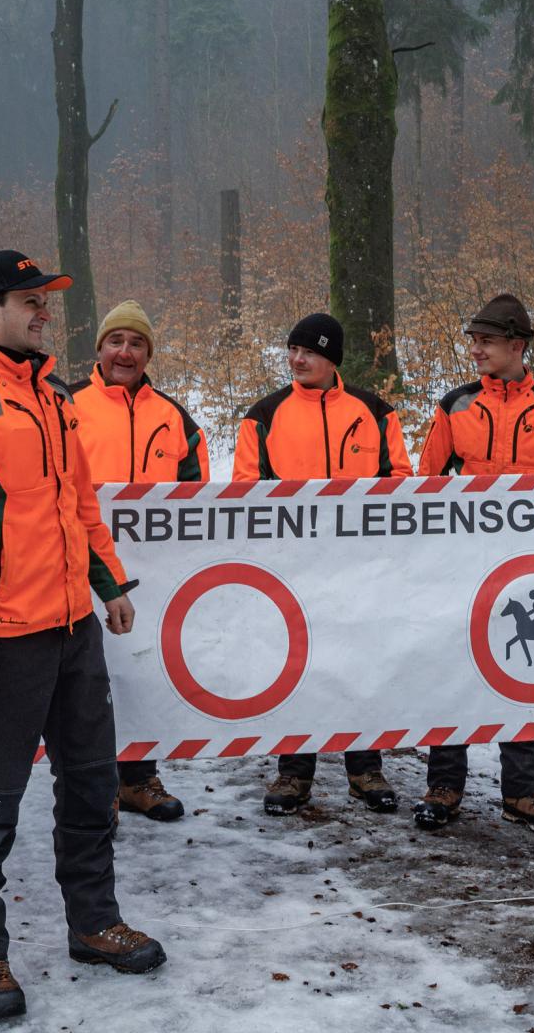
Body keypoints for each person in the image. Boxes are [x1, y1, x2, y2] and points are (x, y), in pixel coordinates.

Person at [0, 250, 166, 1020]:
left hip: (72, 630)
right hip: (4, 641)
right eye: (28, 299)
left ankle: (94, 924)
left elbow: (78, 503)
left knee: (92, 785)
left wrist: (110, 583)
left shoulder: (54, 397)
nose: (43, 311)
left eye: (46, 300)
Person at [412, 293, 534, 836]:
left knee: (524, 671)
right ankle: (444, 785)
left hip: (530, 564)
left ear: (518, 345)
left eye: (486, 341)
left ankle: (523, 793)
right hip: (462, 561)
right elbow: (425, 486)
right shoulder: (454, 404)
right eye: (474, 341)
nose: (476, 350)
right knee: (453, 664)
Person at [233, 312, 412, 816]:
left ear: (331, 357)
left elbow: (399, 480)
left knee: (360, 665)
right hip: (293, 568)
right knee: (298, 665)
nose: (297, 359)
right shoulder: (263, 415)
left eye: (308, 351)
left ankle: (365, 769)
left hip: (360, 568)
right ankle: (293, 773)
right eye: (292, 350)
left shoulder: (375, 412)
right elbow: (246, 488)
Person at [67, 300, 209, 823]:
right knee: (87, 684)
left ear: (149, 353)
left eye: (137, 344)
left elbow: (197, 497)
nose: (125, 352)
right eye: (116, 342)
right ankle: (94, 783)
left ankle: (139, 779)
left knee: (142, 672)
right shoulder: (68, 405)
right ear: (99, 348)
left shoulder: (173, 416)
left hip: (153, 572)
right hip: (79, 565)